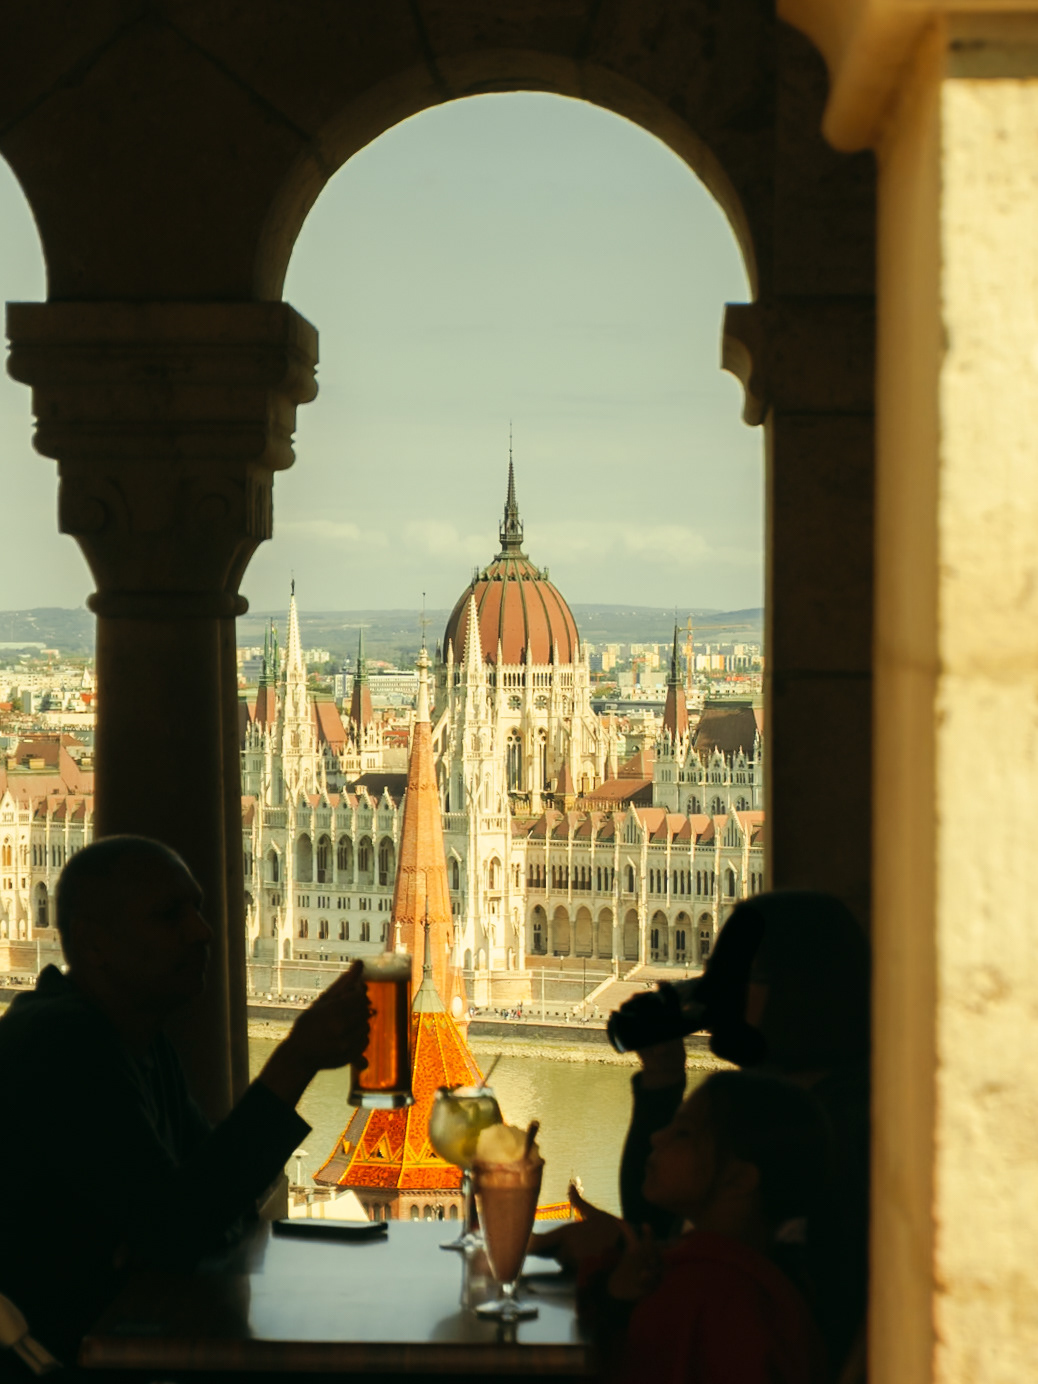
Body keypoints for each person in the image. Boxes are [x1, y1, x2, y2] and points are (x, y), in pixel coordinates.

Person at [0, 836, 371, 1361]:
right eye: (169, 915)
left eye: (196, 908)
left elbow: (214, 1208)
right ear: (94, 943)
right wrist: (295, 1060)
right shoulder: (62, 1046)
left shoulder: (136, 1037)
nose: (202, 931)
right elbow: (176, 1233)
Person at [537, 892, 870, 1378]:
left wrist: (620, 1270)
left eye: (738, 975)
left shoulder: (835, 1131)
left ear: (799, 992)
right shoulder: (796, 1097)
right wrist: (661, 1079)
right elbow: (664, 1214)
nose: (718, 992)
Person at [579, 1070, 829, 1384]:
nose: (657, 1137)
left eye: (683, 1133)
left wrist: (615, 1301)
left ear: (739, 1179)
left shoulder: (708, 1296)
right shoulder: (760, 1282)